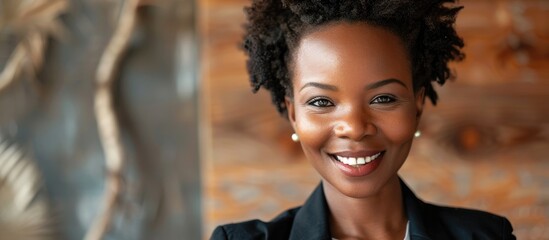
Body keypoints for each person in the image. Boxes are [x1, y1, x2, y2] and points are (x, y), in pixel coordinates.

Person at [211, 0, 516, 239]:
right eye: (321, 102)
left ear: (417, 105)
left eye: (383, 99)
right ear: (293, 113)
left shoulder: (486, 236)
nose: (355, 128)